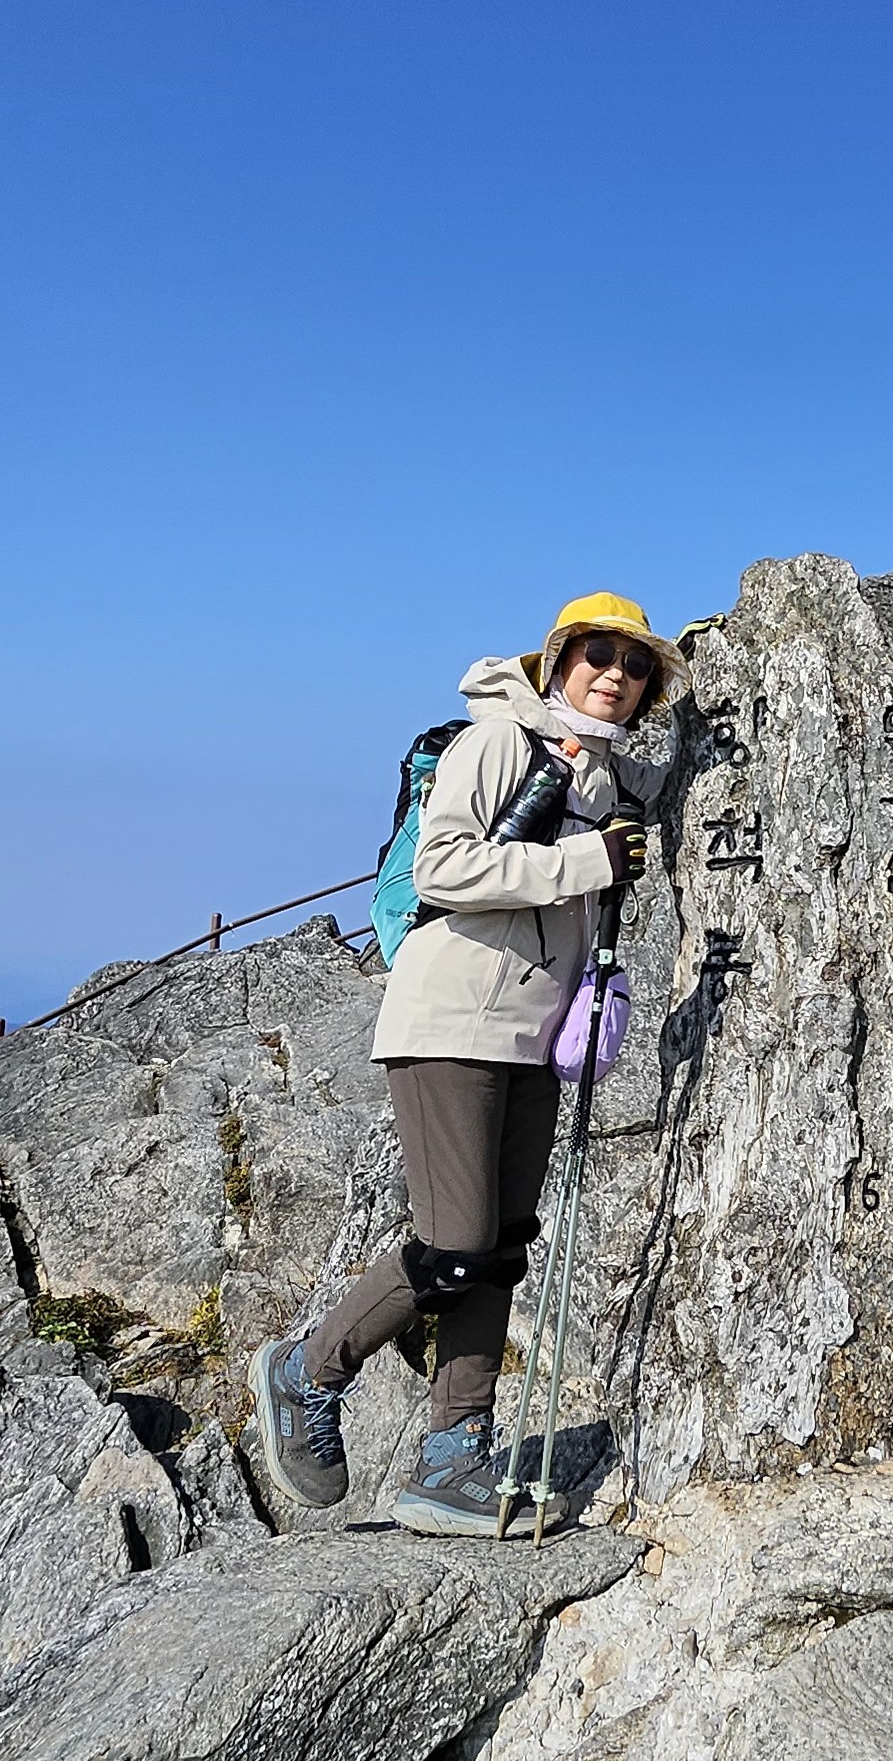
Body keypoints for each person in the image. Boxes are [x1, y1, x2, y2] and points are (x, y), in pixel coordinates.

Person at [248, 594, 680, 1535]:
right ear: (557, 664)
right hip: (451, 1021)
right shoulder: (497, 743)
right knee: (453, 1245)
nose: (614, 675)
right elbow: (443, 869)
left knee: (502, 1246)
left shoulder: (603, 774)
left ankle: (455, 1458)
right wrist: (587, 863)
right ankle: (307, 1371)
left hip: (533, 1035)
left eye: (636, 664)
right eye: (596, 655)